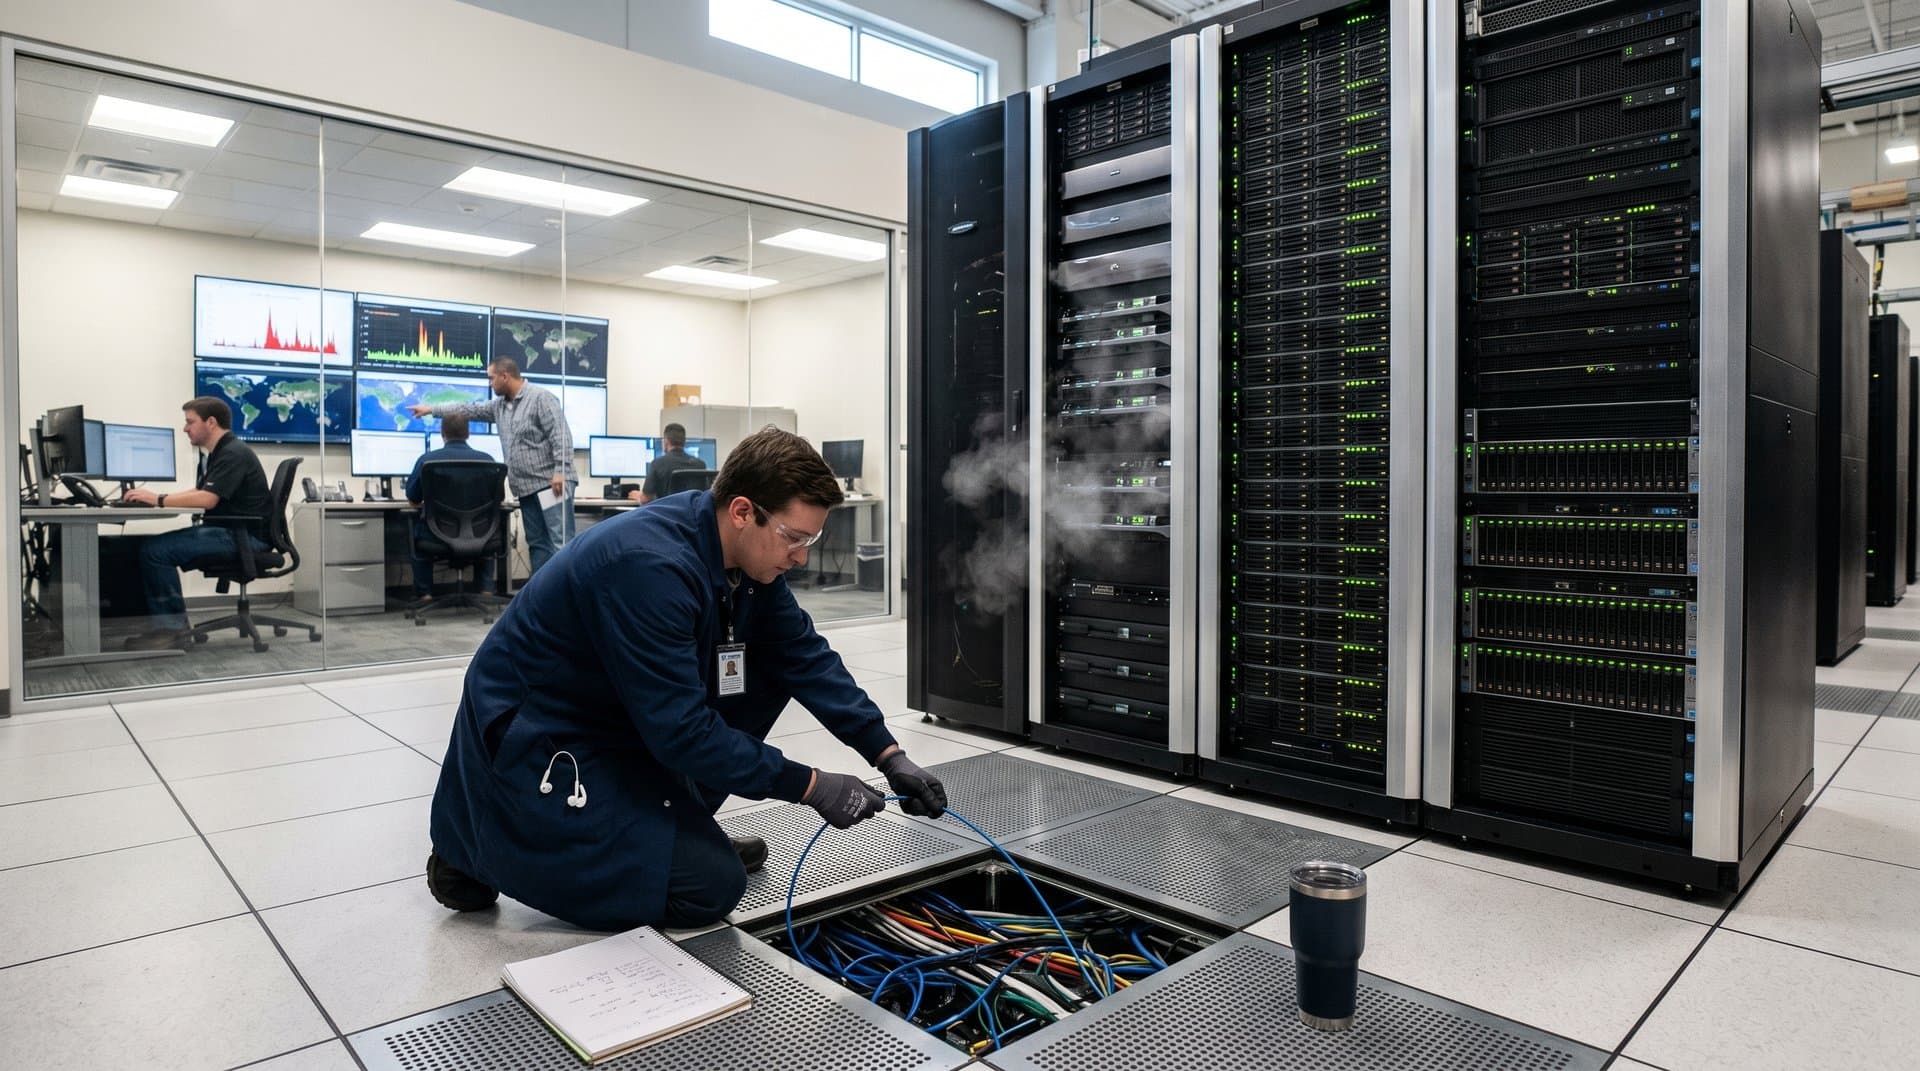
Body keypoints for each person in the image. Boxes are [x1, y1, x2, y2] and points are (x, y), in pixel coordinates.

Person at [425, 427, 945, 931]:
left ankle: (680, 826)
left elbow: (805, 657)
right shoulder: (650, 567)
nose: (802, 556)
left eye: (812, 539)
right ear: (743, 511)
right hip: (544, 731)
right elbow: (682, 731)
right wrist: (809, 786)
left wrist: (888, 754)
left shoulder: (744, 563)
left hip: (620, 715)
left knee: (767, 667)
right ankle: (471, 851)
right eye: (793, 537)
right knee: (709, 887)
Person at [121, 397, 274, 651]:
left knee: (155, 551)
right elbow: (202, 491)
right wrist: (158, 498)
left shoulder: (232, 453)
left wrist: (158, 499)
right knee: (150, 547)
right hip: (234, 531)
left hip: (243, 537)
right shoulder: (221, 452)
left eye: (190, 422)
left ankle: (172, 632)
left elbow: (207, 499)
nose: (185, 428)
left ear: (211, 422)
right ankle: (170, 627)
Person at [407, 357, 574, 575]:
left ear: (505, 376)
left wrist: (560, 471)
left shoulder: (541, 398)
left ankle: (568, 599)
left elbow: (561, 436)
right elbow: (468, 409)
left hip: (551, 485)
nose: (490, 384)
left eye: (491, 378)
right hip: (526, 487)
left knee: (561, 544)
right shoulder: (499, 406)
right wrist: (431, 410)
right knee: (538, 545)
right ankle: (543, 598)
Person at [404, 413, 499, 602]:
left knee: (414, 532)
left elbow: (413, 499)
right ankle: (486, 591)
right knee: (487, 532)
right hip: (480, 535)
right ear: (468, 433)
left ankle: (426, 594)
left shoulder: (427, 461)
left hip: (437, 536)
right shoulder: (488, 460)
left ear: (442, 433)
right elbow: (498, 500)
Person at [627, 422, 707, 504]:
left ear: (665, 441)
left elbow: (646, 500)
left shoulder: (658, 463)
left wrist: (639, 497)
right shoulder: (700, 465)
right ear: (684, 442)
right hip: (692, 515)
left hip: (667, 515)